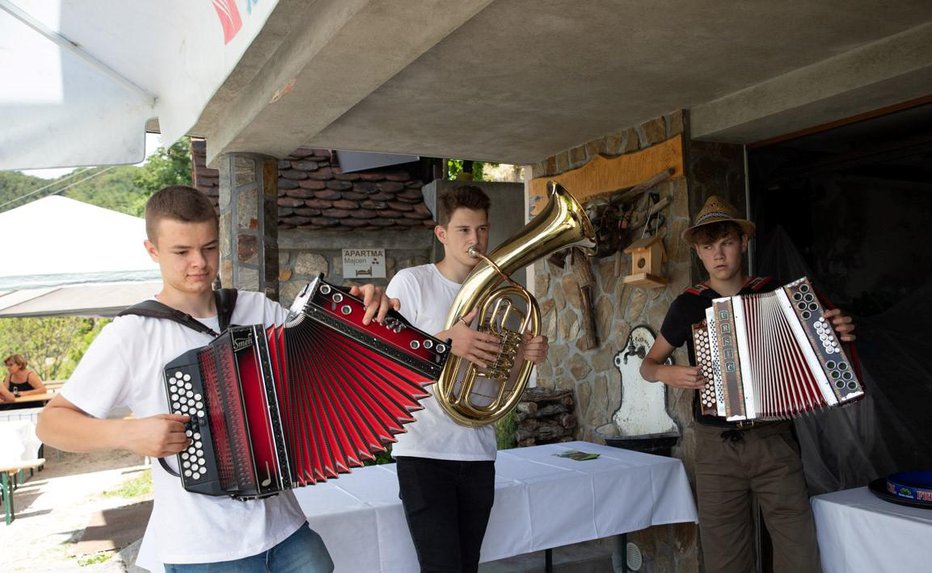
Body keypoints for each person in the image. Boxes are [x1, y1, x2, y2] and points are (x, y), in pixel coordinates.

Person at [37, 185, 398, 572]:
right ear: (152, 251)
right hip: (204, 551)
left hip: (285, 528)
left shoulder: (254, 307)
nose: (200, 263)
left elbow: (331, 356)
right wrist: (127, 434)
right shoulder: (132, 333)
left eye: (209, 247)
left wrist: (372, 311)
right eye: (182, 251)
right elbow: (50, 423)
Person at [640, 195, 856, 573]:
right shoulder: (689, 304)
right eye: (709, 247)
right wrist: (665, 372)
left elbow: (820, 343)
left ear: (742, 243)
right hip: (716, 448)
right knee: (726, 558)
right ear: (698, 253)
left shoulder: (774, 293)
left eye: (726, 243)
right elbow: (647, 365)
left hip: (773, 440)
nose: (719, 255)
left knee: (798, 551)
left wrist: (837, 331)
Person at [386, 184, 550, 573]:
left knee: (467, 567)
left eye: (481, 229)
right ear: (441, 234)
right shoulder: (412, 283)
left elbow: (499, 378)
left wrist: (523, 359)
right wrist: (446, 340)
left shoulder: (499, 294)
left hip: (477, 452)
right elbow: (391, 359)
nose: (475, 239)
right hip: (424, 453)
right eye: (463, 230)